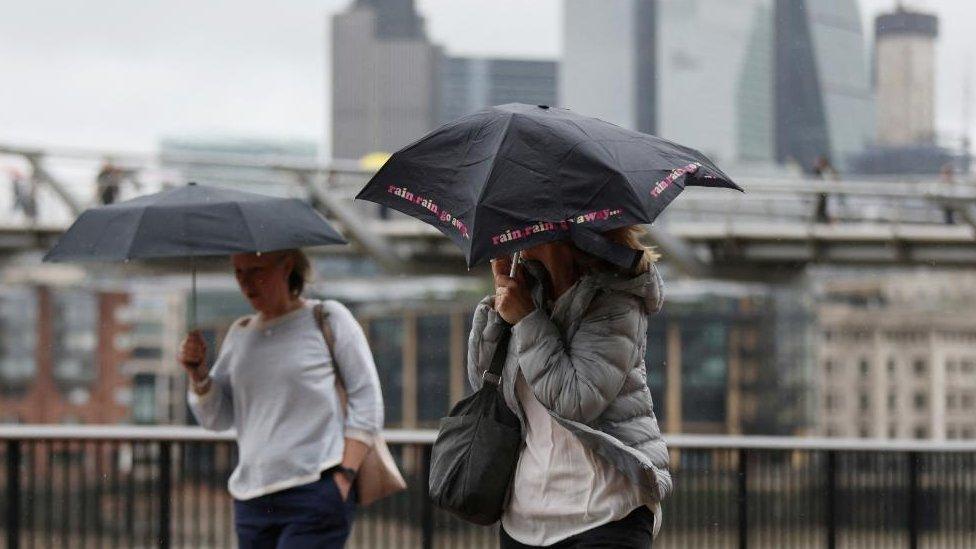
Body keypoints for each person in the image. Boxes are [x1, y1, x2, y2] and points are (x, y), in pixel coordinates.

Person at [467, 226, 671, 549]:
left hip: (605, 514)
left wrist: (527, 320)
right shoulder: (529, 293)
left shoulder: (615, 301)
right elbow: (486, 387)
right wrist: (501, 304)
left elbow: (576, 399)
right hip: (525, 521)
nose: (509, 227)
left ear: (554, 228)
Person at [179, 249, 384, 548]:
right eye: (239, 272)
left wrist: (344, 477)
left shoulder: (327, 318)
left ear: (287, 266)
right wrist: (198, 375)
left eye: (256, 271)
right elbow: (217, 420)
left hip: (315, 490)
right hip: (252, 499)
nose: (246, 284)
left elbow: (368, 401)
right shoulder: (240, 334)